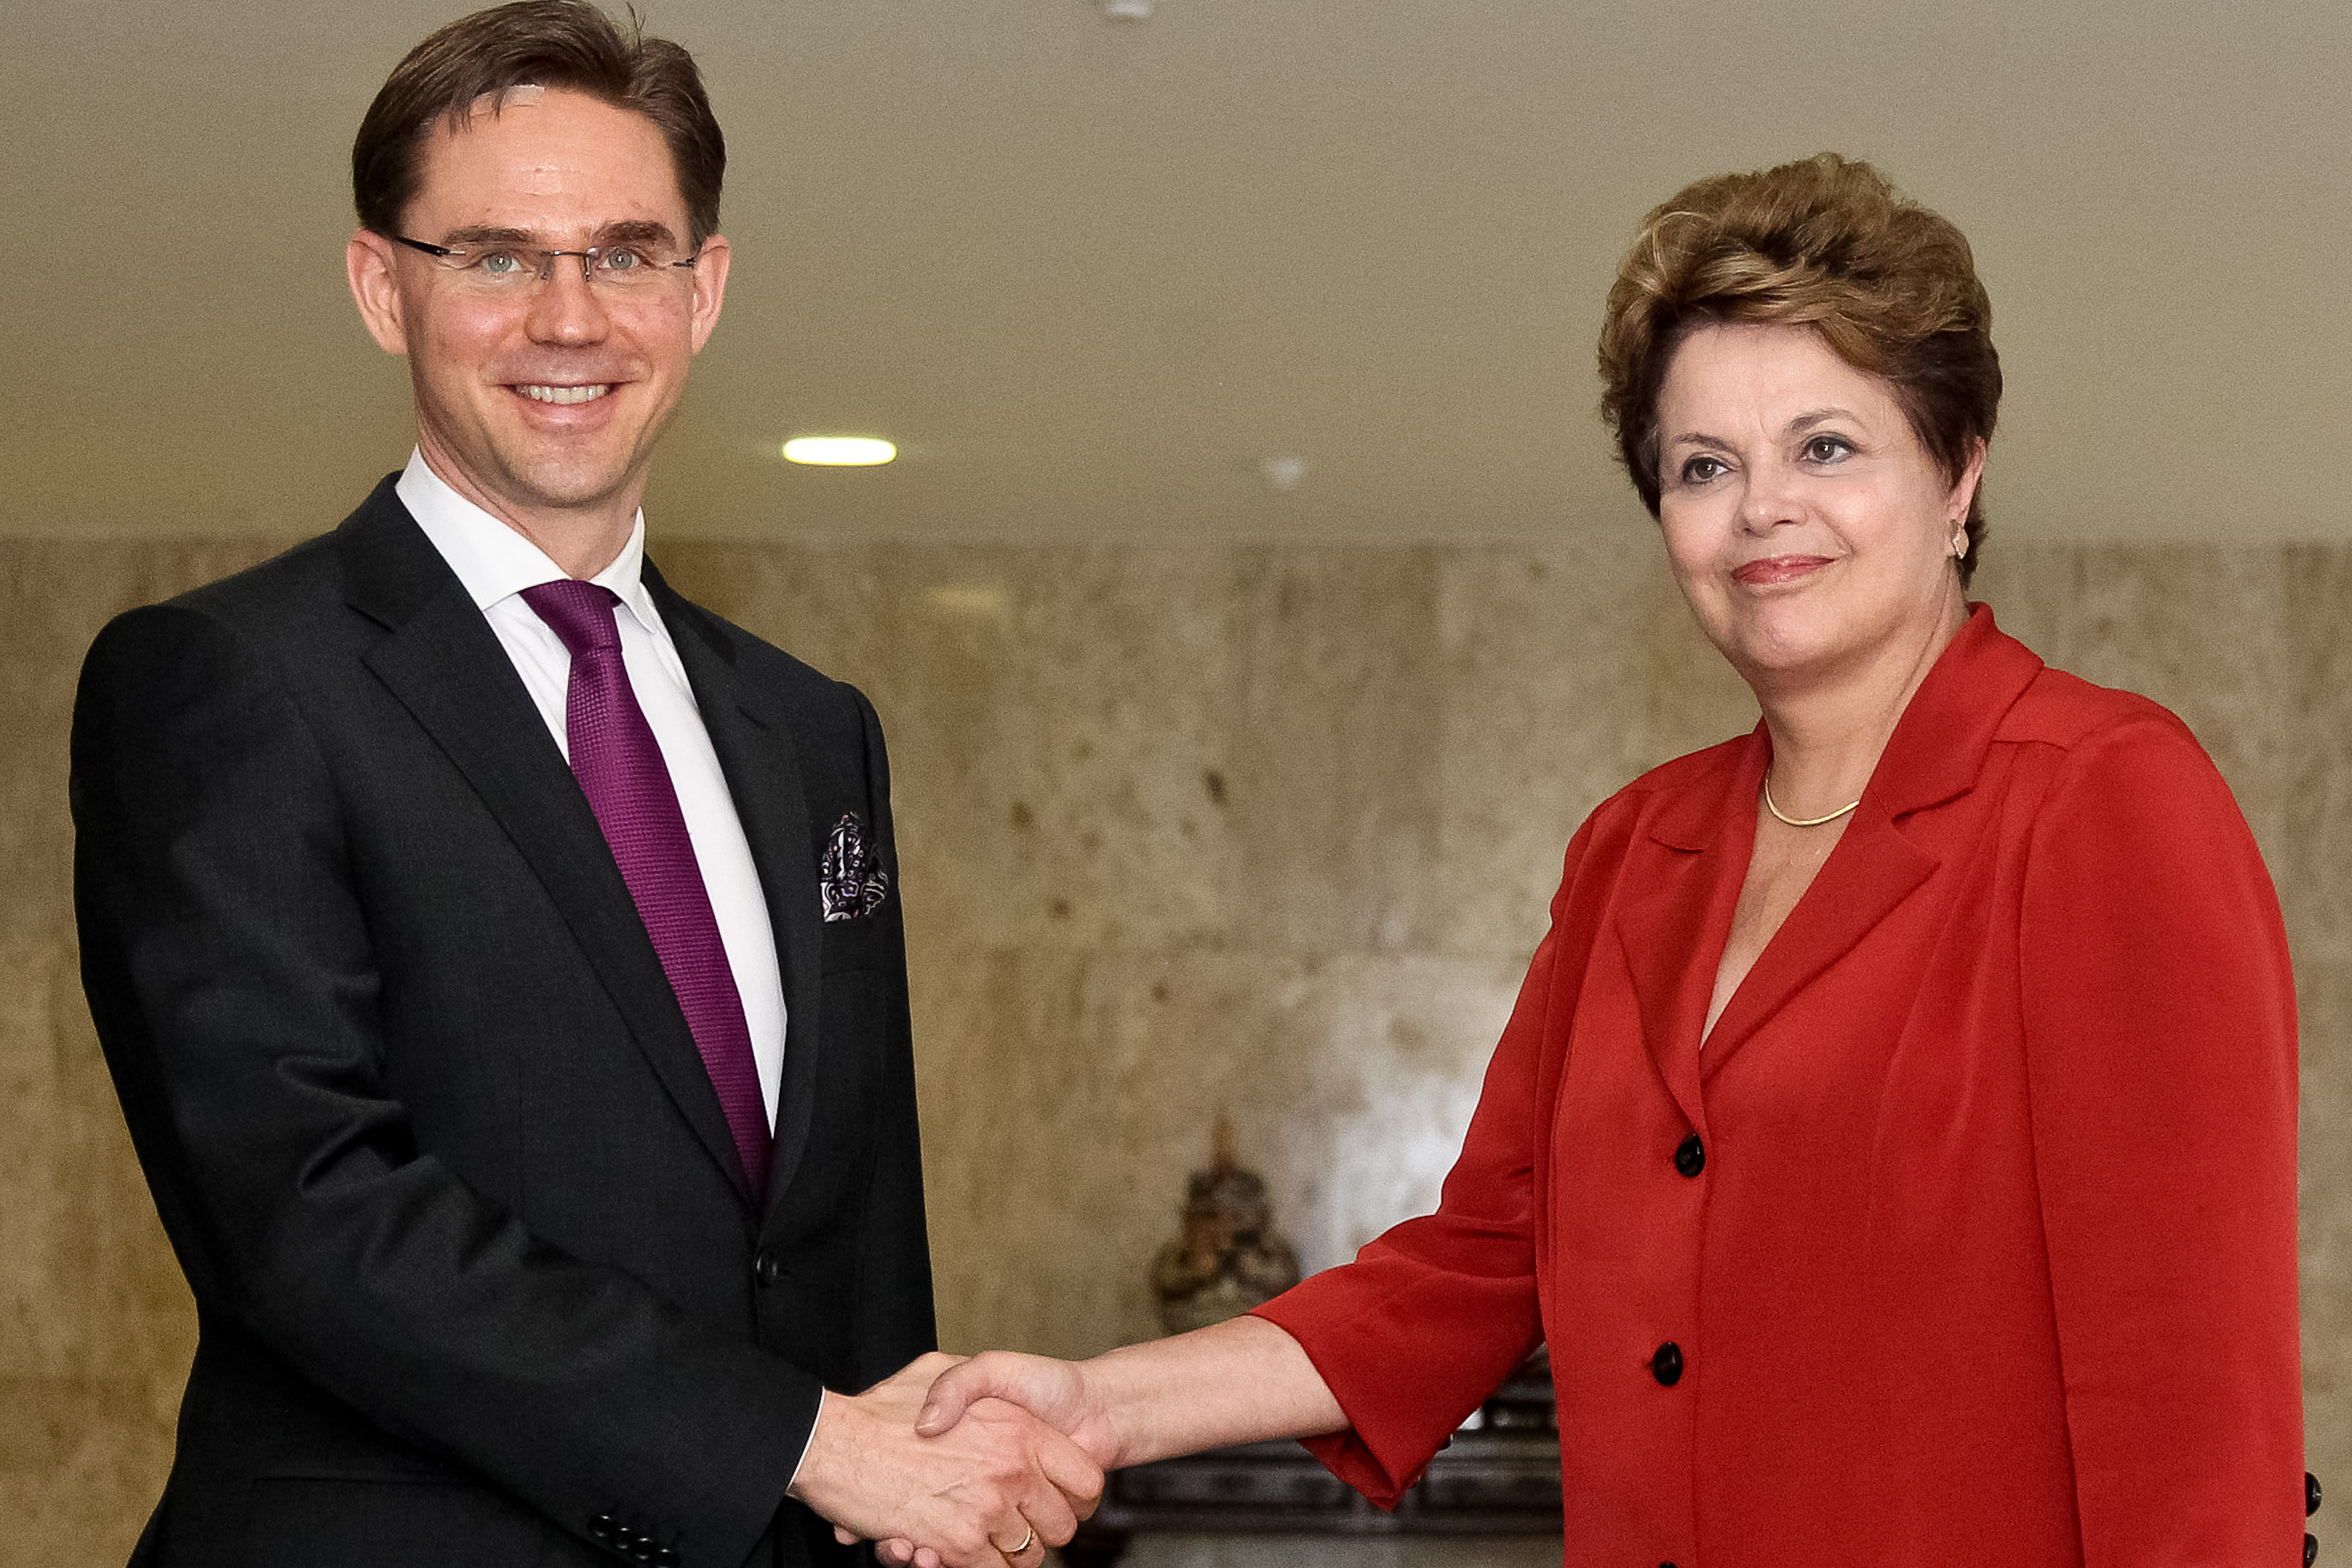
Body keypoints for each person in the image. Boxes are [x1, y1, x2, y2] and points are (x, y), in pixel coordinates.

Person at [902, 153, 2308, 1566]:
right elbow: (1477, 1261)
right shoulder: (1636, 849)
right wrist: (1094, 1400)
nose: (1761, 509)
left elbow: (2188, 1400)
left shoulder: (2102, 800)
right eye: (1705, 466)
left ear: (1957, 473)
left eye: (1825, 446)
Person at [70, 3, 1097, 1565]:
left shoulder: (813, 728)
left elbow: (853, 1230)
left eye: (628, 253)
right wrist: (812, 1443)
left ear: (706, 290)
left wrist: (923, 1476)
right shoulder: (226, 681)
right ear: (379, 286)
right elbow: (308, 1209)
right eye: (494, 256)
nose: (571, 316)